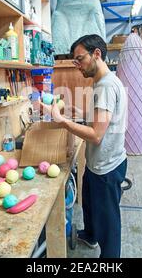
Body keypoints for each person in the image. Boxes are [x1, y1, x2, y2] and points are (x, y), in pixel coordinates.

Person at [40, 34, 128, 258]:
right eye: (75, 62)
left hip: (107, 166)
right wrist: (78, 115)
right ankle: (90, 235)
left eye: (80, 59)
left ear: (96, 54)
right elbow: (102, 120)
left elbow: (97, 134)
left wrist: (63, 122)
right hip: (98, 163)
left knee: (108, 221)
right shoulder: (103, 82)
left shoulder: (106, 86)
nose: (78, 65)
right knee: (89, 205)